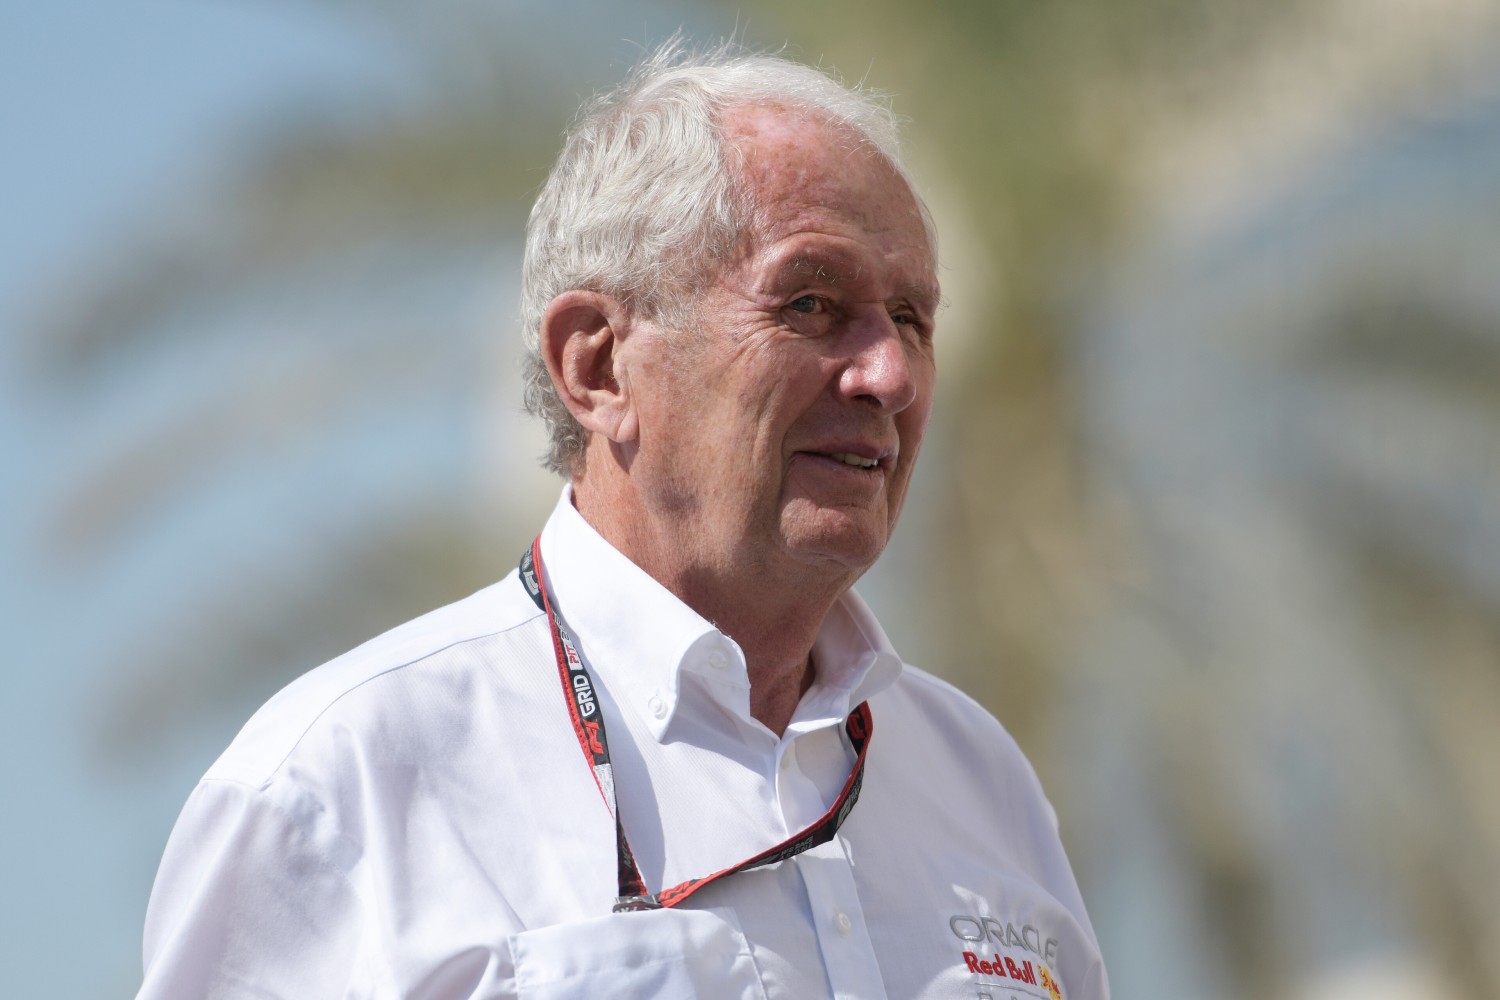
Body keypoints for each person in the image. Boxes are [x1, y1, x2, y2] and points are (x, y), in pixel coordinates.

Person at [137, 41, 1108, 1000]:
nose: (888, 375)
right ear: (598, 365)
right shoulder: (340, 785)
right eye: (812, 302)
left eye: (912, 320)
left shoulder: (980, 782)